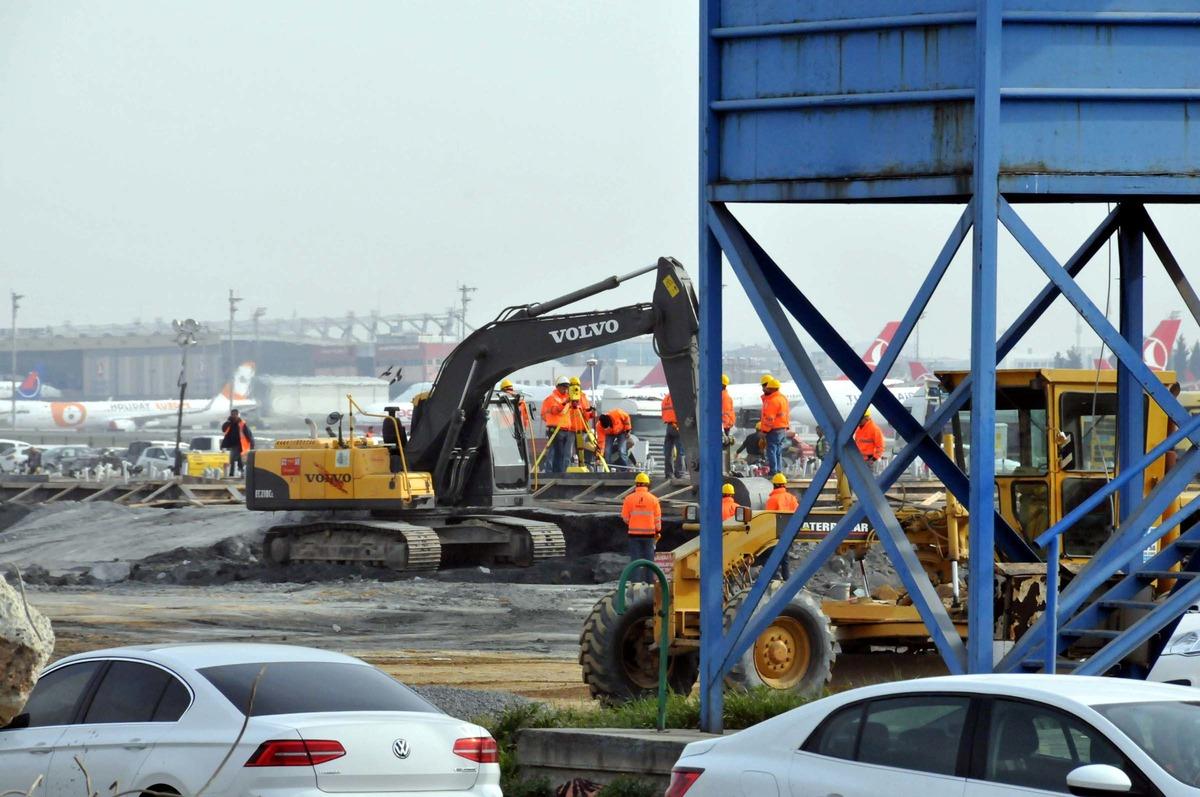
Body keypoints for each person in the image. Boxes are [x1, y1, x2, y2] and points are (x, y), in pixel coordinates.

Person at [621, 472, 662, 584]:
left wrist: (634, 522)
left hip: (633, 535)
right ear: (647, 485)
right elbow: (657, 519)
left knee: (635, 561)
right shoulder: (654, 500)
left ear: (636, 485)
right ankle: (650, 584)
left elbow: (625, 518)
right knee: (650, 561)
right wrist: (657, 531)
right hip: (649, 536)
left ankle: (636, 585)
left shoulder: (628, 499)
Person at [758, 377, 790, 475]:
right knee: (778, 451)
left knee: (771, 451)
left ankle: (773, 471)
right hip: (782, 428)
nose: (765, 389)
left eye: (768, 388)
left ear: (772, 389)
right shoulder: (783, 398)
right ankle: (778, 471)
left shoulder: (772, 401)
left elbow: (769, 418)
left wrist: (764, 431)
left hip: (773, 429)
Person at [540, 377, 571, 472]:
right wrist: (565, 403)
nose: (565, 389)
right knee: (556, 452)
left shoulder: (567, 398)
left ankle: (559, 471)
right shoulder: (552, 398)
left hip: (566, 429)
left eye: (566, 387)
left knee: (562, 453)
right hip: (555, 428)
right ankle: (552, 472)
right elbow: (554, 410)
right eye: (563, 387)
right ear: (557, 386)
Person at [221, 408, 255, 476]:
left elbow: (248, 434)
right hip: (231, 445)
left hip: (240, 445)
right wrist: (228, 421)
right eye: (232, 414)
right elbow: (223, 429)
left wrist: (252, 444)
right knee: (236, 460)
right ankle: (237, 473)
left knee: (235, 459)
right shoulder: (229, 423)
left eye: (235, 414)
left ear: (238, 415)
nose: (233, 416)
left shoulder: (242, 424)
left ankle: (236, 473)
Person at [661, 392, 684, 479]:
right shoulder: (678, 396)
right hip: (677, 425)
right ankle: (679, 473)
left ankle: (668, 473)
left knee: (668, 452)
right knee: (680, 451)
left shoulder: (666, 398)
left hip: (669, 426)